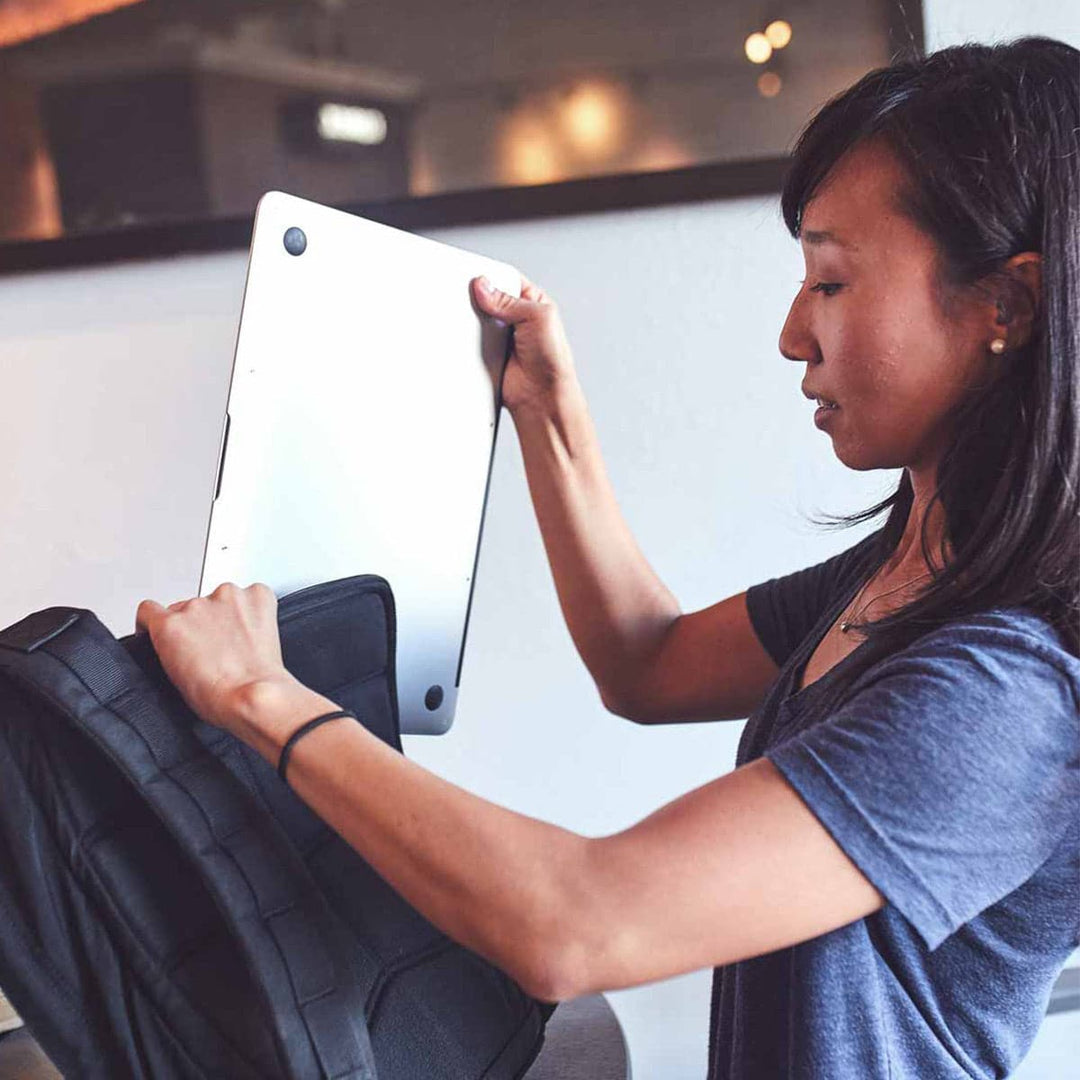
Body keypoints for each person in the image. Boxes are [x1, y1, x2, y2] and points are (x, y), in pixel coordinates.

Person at [136, 37, 1079, 1080]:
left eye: (832, 282)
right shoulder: (913, 568)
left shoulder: (1005, 690)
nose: (790, 335)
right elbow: (649, 663)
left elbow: (577, 925)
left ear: (1007, 307)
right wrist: (548, 409)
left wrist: (260, 697)